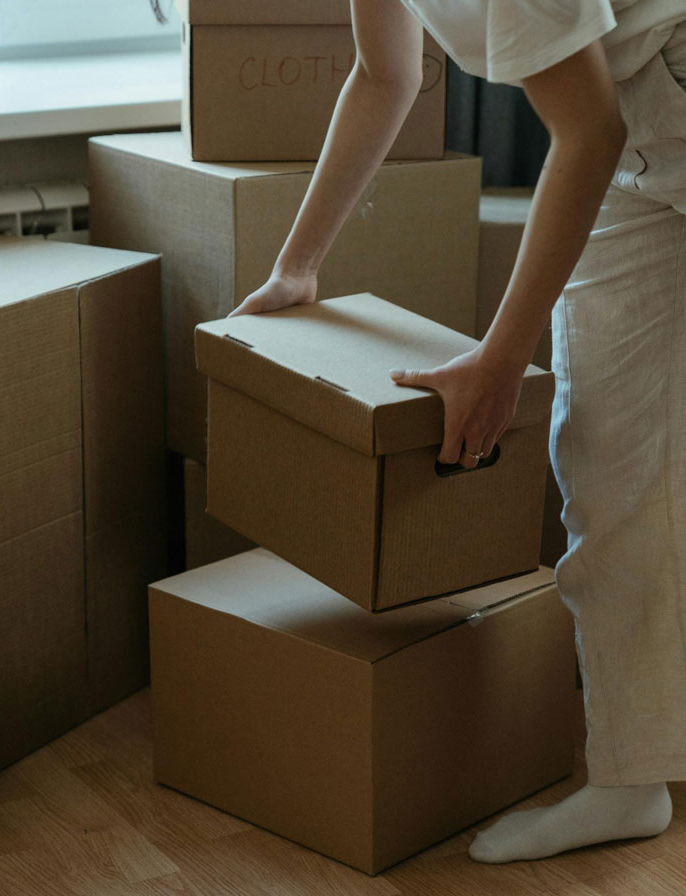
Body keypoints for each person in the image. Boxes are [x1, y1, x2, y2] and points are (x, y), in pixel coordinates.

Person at [228, 0, 686, 864]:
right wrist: (298, 264)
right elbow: (383, 73)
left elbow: (583, 132)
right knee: (602, 457)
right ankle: (632, 780)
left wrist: (500, 360)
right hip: (635, 149)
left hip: (634, 120)